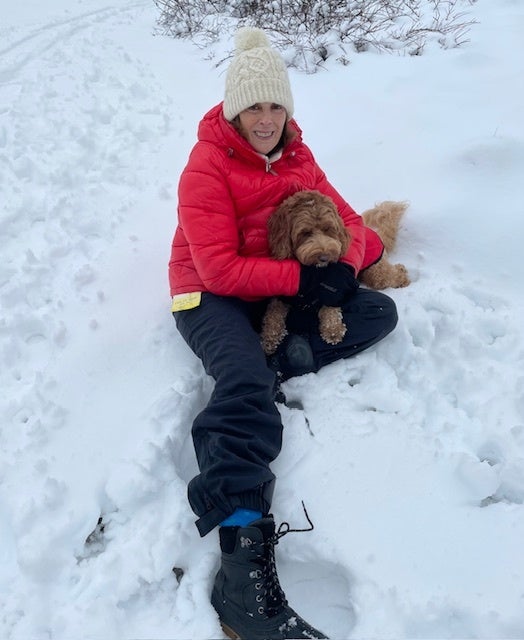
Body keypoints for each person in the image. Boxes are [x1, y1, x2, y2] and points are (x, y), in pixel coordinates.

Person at [169, 27, 398, 640]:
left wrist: (343, 273)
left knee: (376, 312)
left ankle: (279, 354)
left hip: (272, 289)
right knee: (243, 382)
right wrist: (302, 281)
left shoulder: (298, 156)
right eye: (254, 106)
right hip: (209, 294)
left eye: (276, 105)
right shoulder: (206, 166)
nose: (266, 119)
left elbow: (349, 223)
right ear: (232, 109)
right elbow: (216, 267)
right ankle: (242, 586)